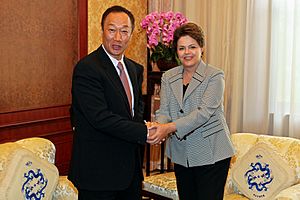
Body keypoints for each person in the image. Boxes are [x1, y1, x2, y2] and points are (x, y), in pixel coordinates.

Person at [68, 5, 152, 200]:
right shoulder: (87, 68)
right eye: (112, 30)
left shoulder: (134, 69)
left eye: (124, 31)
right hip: (98, 174)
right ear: (102, 30)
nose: (117, 38)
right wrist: (145, 132)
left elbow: (136, 110)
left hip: (129, 172)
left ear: (131, 35)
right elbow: (100, 117)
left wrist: (145, 126)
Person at [147, 22, 235, 200]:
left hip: (212, 154)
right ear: (176, 51)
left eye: (192, 47)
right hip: (181, 153)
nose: (187, 52)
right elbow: (164, 110)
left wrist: (168, 128)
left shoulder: (215, 76)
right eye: (181, 48)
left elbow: (202, 113)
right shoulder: (168, 76)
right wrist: (157, 127)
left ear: (201, 47)